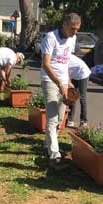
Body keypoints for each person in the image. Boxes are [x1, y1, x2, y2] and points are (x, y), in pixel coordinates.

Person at [40, 13, 80, 165]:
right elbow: (46, 64)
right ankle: (54, 153)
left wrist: (68, 82)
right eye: (72, 29)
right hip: (49, 81)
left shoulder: (72, 39)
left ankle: (48, 144)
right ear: (64, 25)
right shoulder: (50, 38)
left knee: (61, 118)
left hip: (64, 82)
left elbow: (67, 63)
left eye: (77, 29)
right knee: (52, 117)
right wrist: (60, 84)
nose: (74, 32)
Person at [67, 54, 91, 128]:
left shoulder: (64, 58)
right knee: (72, 95)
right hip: (75, 74)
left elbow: (66, 76)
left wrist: (68, 84)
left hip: (83, 73)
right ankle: (70, 119)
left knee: (82, 96)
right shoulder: (60, 57)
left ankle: (84, 120)